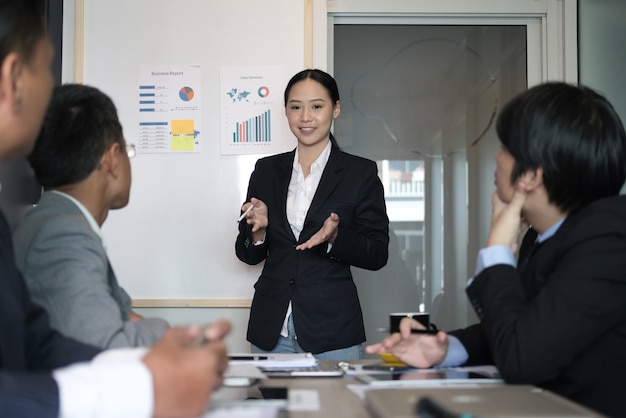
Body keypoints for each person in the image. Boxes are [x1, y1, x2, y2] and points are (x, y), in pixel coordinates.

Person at [0, 1, 230, 416]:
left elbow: (39, 340)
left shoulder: (41, 220)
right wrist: (169, 348)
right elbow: (99, 343)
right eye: (43, 70)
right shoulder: (62, 231)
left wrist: (168, 340)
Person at [366, 82, 626, 417]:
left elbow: (523, 357)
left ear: (530, 175)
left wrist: (497, 251)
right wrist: (445, 349)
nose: (496, 157)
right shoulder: (549, 236)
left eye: (505, 147)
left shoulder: (609, 240)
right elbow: (528, 326)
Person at [235, 69, 389, 360]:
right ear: (286, 112)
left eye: (317, 106)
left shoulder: (360, 173)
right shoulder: (266, 171)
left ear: (336, 109)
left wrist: (335, 238)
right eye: (296, 107)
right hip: (271, 330)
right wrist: (259, 232)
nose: (305, 117)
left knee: (335, 407)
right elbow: (248, 255)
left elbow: (378, 253)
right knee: (276, 407)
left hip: (332, 331)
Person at [13, 82, 169, 349]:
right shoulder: (62, 235)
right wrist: (167, 332)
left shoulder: (52, 220)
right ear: (111, 158)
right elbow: (107, 349)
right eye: (127, 150)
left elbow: (121, 314)